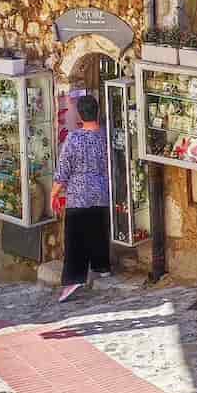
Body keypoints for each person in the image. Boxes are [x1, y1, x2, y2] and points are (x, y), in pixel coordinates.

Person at [51, 93, 111, 302]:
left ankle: (74, 278)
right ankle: (101, 266)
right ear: (97, 113)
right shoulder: (105, 137)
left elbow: (63, 170)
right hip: (101, 191)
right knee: (98, 230)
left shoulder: (74, 139)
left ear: (79, 114)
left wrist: (54, 194)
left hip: (78, 194)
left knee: (75, 238)